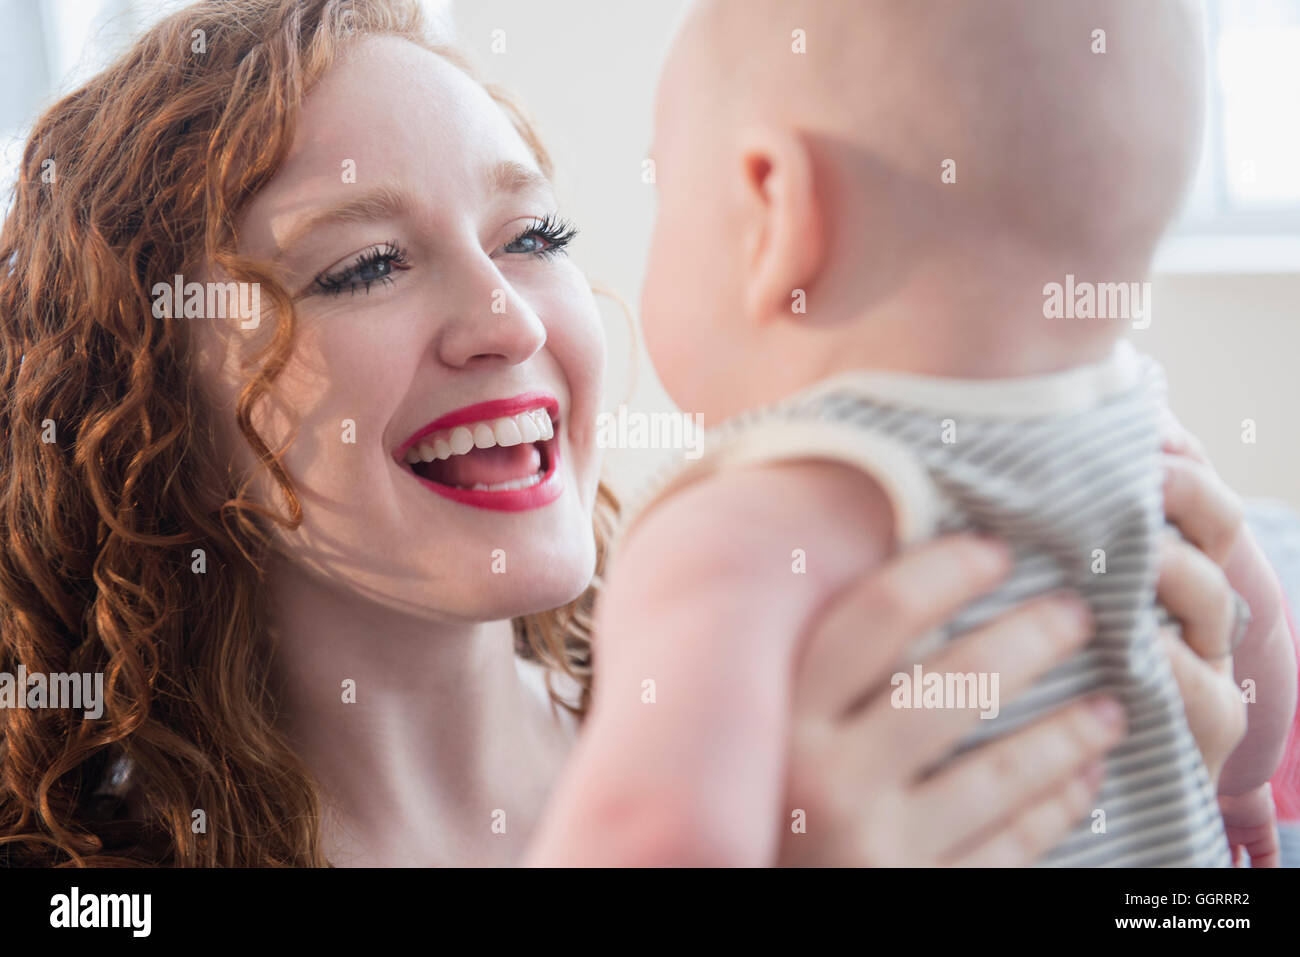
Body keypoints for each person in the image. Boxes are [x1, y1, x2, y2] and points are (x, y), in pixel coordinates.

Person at [0, 0, 1254, 867]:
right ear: (150, 399)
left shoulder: (795, 672)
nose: (504, 319)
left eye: (533, 237)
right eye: (367, 263)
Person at [530, 0, 1296, 866]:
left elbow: (654, 837)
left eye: (663, 190)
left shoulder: (739, 524)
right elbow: (1252, 648)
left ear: (776, 209)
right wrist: (1232, 789)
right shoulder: (1154, 447)